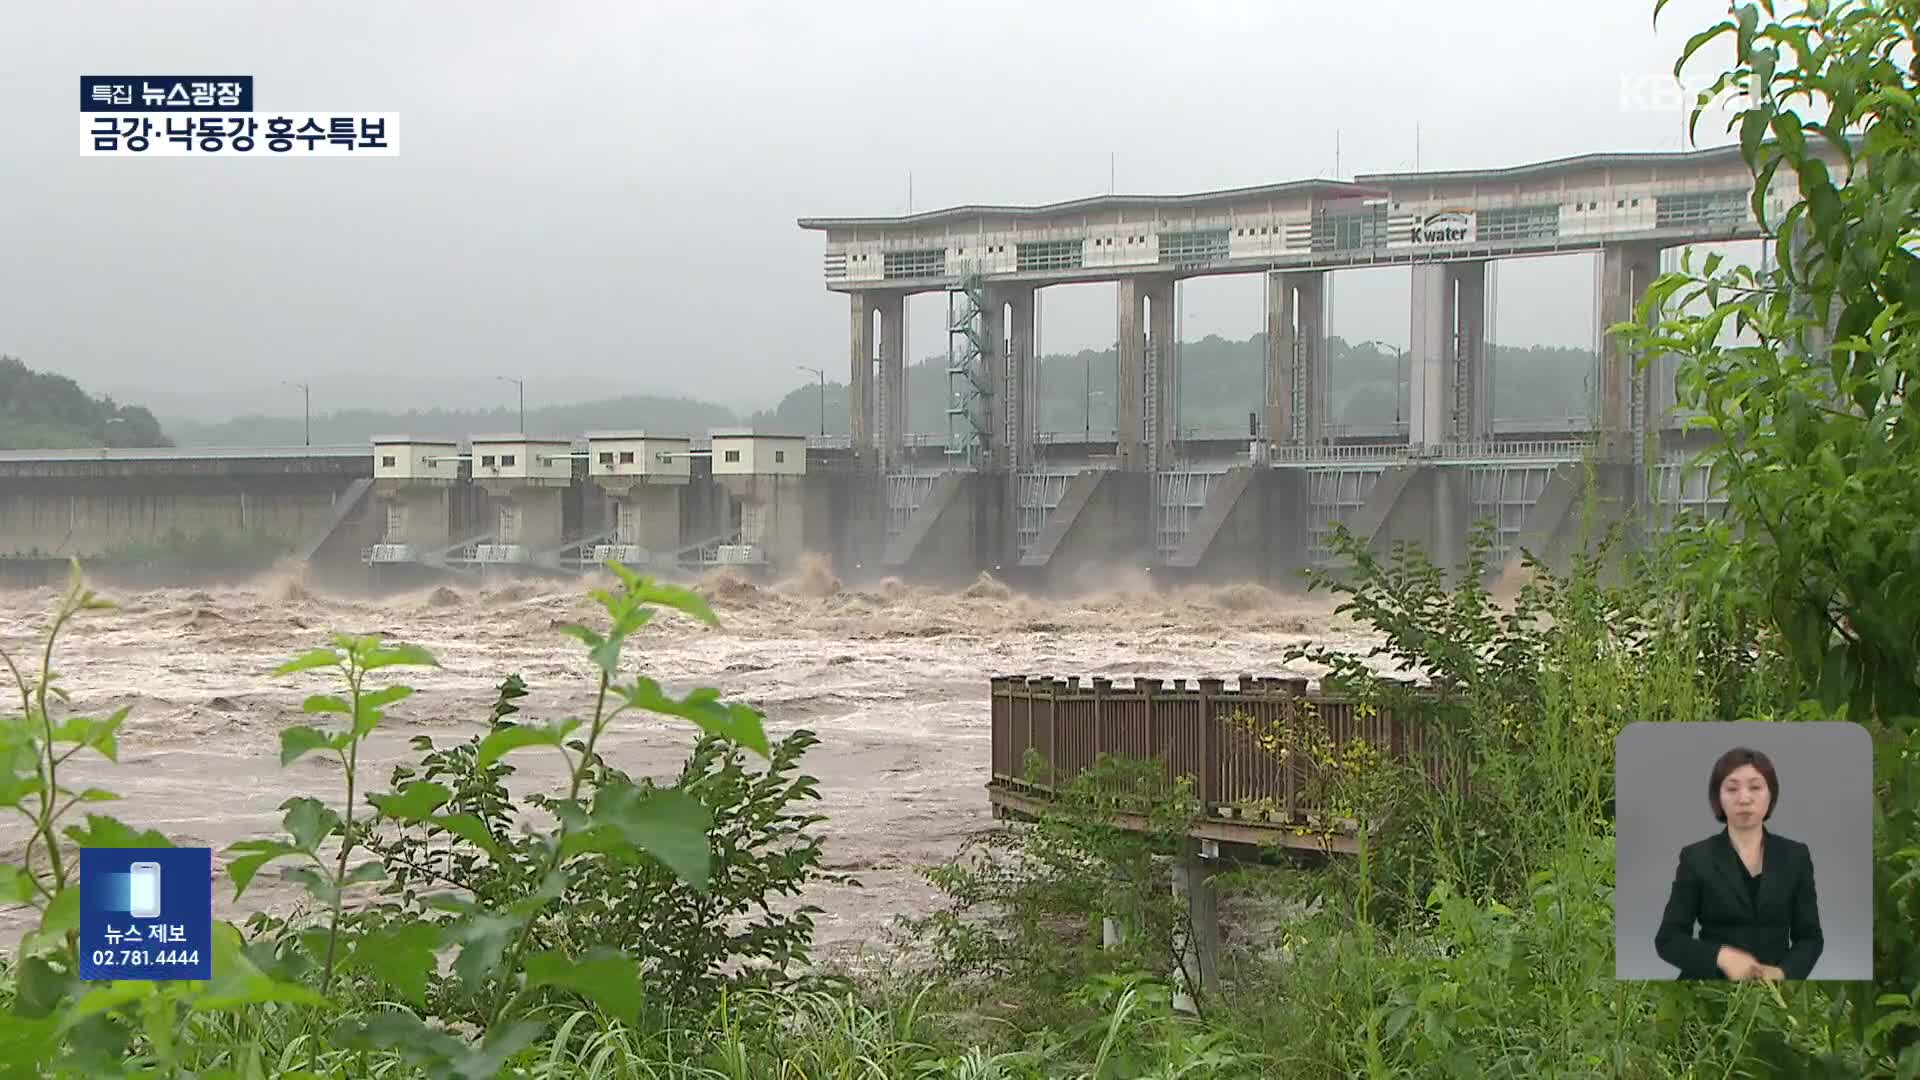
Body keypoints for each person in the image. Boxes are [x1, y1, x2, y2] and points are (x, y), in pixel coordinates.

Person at [1654, 746, 1823, 980]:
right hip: (1708, 989)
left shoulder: (1795, 856)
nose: (1744, 798)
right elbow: (1668, 939)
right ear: (1718, 797)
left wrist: (1783, 972)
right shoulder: (1696, 857)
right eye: (1732, 789)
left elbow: (1810, 938)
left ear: (1771, 793)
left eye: (1755, 787)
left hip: (1775, 992)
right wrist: (1721, 957)